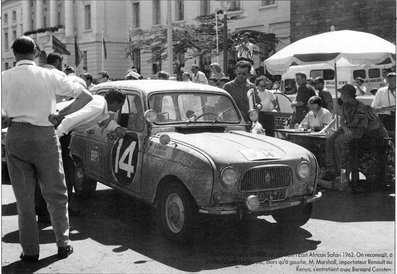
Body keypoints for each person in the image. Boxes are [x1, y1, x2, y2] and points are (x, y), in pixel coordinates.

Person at [1, 36, 93, 261]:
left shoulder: (4, 77)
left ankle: (30, 251)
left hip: (16, 135)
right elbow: (86, 96)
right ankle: (63, 243)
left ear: (14, 54)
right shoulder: (50, 74)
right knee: (56, 193)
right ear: (36, 52)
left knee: (24, 199)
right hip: (44, 134)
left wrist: (4, 118)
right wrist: (60, 114)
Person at [320, 84, 387, 182]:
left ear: (348, 96)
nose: (341, 97)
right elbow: (342, 120)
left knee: (339, 141)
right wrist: (345, 129)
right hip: (348, 128)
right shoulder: (344, 105)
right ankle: (331, 169)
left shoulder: (360, 107)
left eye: (343, 94)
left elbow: (358, 123)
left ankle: (341, 171)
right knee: (330, 140)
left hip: (358, 130)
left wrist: (347, 129)